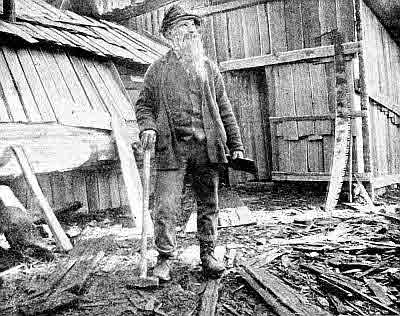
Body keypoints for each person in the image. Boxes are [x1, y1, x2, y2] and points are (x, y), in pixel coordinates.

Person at [135, 4, 244, 281]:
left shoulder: (209, 69)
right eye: (184, 27)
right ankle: (164, 259)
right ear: (170, 35)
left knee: (209, 204)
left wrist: (236, 143)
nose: (191, 32)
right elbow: (144, 105)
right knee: (166, 206)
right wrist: (147, 127)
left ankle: (208, 255)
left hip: (206, 149)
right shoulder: (157, 70)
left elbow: (224, 108)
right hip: (172, 150)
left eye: (194, 28)